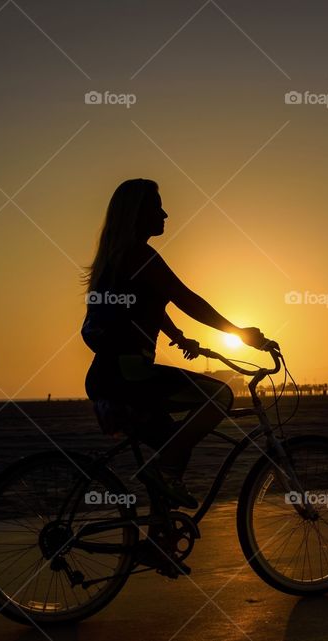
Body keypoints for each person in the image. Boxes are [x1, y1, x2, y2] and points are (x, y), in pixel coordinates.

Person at [82, 178, 275, 510]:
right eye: (157, 207)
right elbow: (185, 299)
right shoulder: (140, 256)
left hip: (108, 380)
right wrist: (239, 333)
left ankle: (161, 540)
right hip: (128, 379)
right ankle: (162, 475)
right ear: (138, 213)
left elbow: (145, 307)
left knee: (173, 448)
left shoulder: (116, 260)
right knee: (219, 396)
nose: (165, 214)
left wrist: (178, 337)